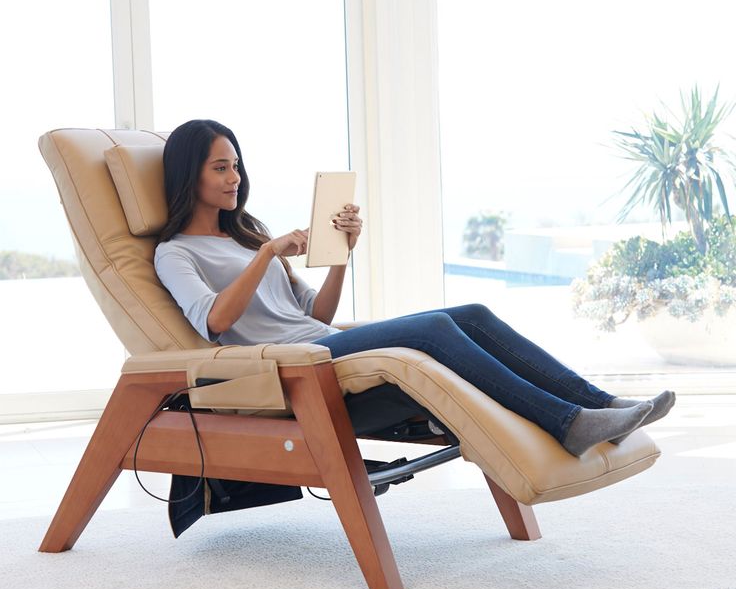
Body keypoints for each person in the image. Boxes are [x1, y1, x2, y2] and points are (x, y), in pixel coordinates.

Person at [154, 119, 675, 457]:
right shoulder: (175, 252)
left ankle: (599, 404)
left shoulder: (248, 235)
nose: (235, 177)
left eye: (237, 165)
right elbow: (214, 321)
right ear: (188, 176)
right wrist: (268, 254)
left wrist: (341, 255)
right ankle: (567, 422)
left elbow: (320, 313)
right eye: (220, 167)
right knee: (432, 328)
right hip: (289, 365)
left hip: (316, 341)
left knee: (470, 311)